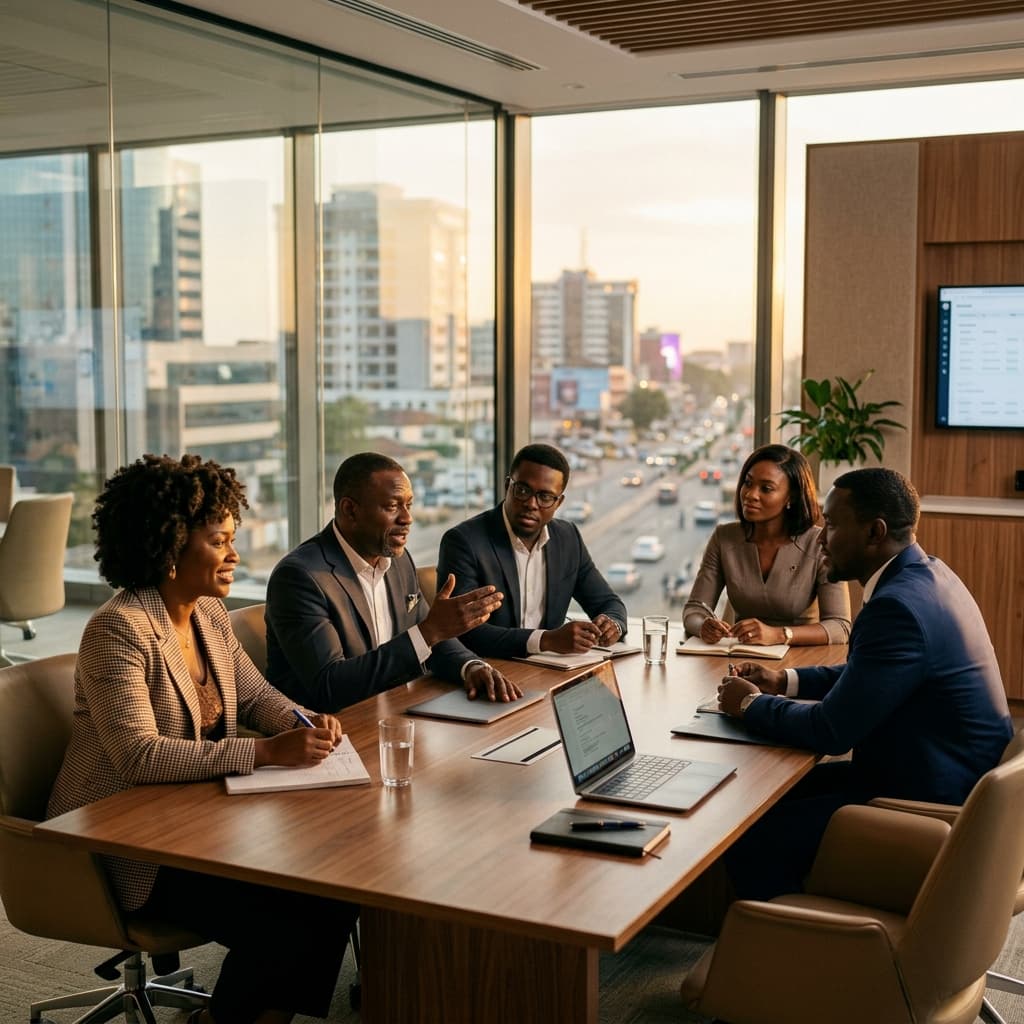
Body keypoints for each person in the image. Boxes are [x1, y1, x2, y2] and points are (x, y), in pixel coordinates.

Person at [46, 454, 358, 1024]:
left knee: (331, 884)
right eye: (219, 541)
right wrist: (264, 752)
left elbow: (258, 697)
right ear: (168, 549)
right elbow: (138, 755)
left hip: (197, 820)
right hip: (123, 840)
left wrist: (304, 722)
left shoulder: (210, 613)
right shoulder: (119, 628)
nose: (234, 554)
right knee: (285, 911)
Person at [717, 467, 1012, 900]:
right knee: (760, 800)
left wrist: (750, 705)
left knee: (750, 835)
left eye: (832, 525)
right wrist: (786, 680)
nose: (820, 537)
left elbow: (831, 731)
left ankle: (787, 947)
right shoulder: (926, 575)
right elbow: (872, 676)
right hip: (935, 773)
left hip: (932, 803)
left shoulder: (898, 607)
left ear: (874, 532)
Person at [265, 452, 520, 713]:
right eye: (392, 507)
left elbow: (431, 638)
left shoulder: (397, 560)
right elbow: (329, 687)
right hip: (329, 731)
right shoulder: (300, 577)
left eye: (409, 504)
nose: (407, 518)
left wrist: (471, 666)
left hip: (394, 712)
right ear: (349, 510)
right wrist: (429, 631)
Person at [436, 443, 627, 659]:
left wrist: (613, 625)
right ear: (508, 485)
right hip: (488, 670)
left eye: (545, 497)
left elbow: (608, 603)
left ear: (559, 502)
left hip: (551, 672)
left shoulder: (568, 538)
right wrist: (547, 640)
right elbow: (464, 631)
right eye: (523, 490)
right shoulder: (464, 542)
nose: (531, 504)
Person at [683, 444, 851, 646]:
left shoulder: (819, 543)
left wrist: (780, 635)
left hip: (801, 660)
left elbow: (840, 627)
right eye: (748, 483)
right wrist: (703, 626)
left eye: (766, 488)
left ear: (791, 497)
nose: (750, 494)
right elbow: (694, 609)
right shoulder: (724, 537)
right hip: (740, 657)